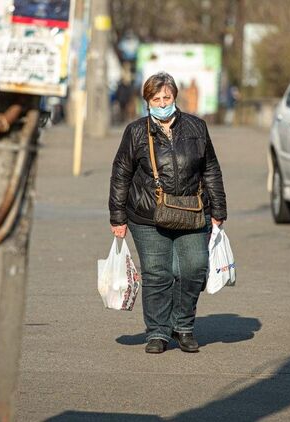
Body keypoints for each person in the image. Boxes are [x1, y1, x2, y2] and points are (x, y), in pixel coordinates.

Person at [108, 71, 227, 354]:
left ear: (175, 97)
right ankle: (158, 332)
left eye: (167, 97)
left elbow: (210, 169)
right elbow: (121, 173)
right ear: (147, 101)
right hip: (147, 214)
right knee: (157, 273)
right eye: (156, 98)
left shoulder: (197, 127)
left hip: (192, 211)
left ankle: (183, 325)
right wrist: (117, 216)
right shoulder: (136, 132)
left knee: (194, 268)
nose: (162, 103)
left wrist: (219, 208)